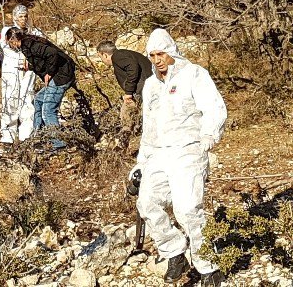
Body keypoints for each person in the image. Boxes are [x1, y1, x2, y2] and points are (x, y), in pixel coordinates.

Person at [129, 28, 227, 285]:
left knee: (187, 209)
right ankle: (175, 252)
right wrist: (140, 162)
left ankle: (209, 267)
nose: (157, 59)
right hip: (158, 153)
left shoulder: (194, 74)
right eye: (152, 55)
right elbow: (148, 127)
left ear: (171, 51)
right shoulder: (150, 85)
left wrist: (209, 134)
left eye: (161, 53)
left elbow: (214, 107)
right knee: (147, 203)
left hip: (188, 150)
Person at [5, 28, 76, 150]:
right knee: (38, 100)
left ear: (14, 39)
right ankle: (39, 136)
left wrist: (49, 72)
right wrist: (30, 67)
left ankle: (58, 143)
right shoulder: (28, 44)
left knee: (48, 110)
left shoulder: (31, 45)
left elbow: (52, 54)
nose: (10, 45)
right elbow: (42, 60)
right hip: (61, 75)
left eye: (9, 42)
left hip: (61, 76)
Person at [0, 5, 44, 146]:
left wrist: (29, 59)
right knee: (10, 101)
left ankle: (26, 134)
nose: (23, 19)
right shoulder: (7, 31)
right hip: (11, 70)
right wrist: (22, 57)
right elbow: (8, 47)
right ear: (14, 17)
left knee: (27, 100)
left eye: (25, 16)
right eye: (20, 16)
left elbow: (40, 49)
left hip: (28, 70)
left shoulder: (35, 32)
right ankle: (7, 136)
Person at [96, 41, 153, 134]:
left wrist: (128, 93)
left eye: (100, 56)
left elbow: (133, 68)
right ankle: (132, 134)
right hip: (143, 87)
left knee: (126, 113)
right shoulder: (122, 55)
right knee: (129, 112)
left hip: (144, 88)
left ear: (104, 54)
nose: (102, 59)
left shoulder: (118, 57)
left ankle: (126, 138)